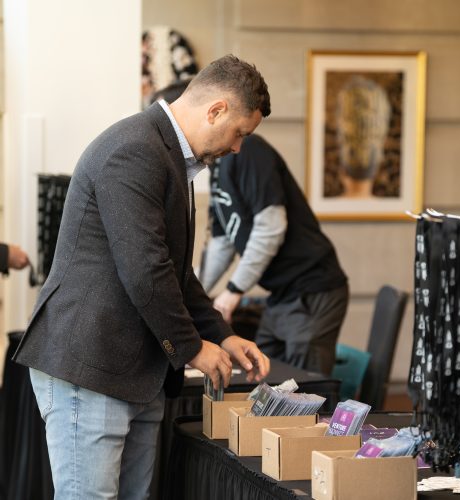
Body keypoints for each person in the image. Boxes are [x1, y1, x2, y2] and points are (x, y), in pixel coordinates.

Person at [13, 54, 271, 499]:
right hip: (91, 365)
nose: (237, 149)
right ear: (217, 110)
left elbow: (174, 271)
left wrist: (222, 335)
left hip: (132, 372)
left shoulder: (167, 154)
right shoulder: (134, 148)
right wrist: (193, 348)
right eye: (240, 134)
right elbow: (145, 270)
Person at [200, 134, 349, 377]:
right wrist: (190, 294)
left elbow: (270, 228)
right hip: (280, 294)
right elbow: (222, 243)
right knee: (262, 379)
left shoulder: (247, 151)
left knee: (303, 389)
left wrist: (234, 289)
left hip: (312, 288)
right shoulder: (217, 170)